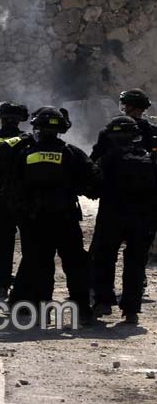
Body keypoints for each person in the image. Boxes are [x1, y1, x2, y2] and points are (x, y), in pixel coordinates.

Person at [7, 107, 100, 325]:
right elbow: (95, 181)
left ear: (37, 129)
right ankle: (82, 311)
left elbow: (12, 188)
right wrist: (76, 187)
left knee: (41, 265)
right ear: (61, 130)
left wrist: (23, 213)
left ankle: (42, 311)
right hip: (66, 219)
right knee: (75, 264)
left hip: (36, 220)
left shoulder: (25, 155)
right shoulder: (72, 153)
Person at [90, 116, 157, 324]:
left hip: (112, 216)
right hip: (142, 220)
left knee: (103, 258)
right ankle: (131, 310)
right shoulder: (149, 159)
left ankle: (103, 302)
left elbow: (93, 189)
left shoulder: (107, 160)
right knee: (136, 263)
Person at [0, 101, 29, 299]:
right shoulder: (28, 141)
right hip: (24, 202)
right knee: (30, 244)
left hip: (0, 201)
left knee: (1, 244)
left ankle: (2, 285)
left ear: (0, 119)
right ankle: (27, 283)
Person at [91, 89, 157, 162]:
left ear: (131, 107)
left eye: (126, 105)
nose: (125, 108)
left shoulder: (110, 130)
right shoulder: (152, 130)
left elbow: (94, 159)